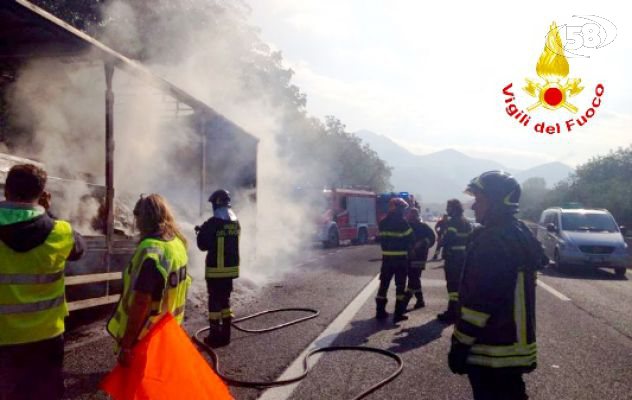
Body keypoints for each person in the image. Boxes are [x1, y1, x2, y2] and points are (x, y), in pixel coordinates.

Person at [448, 171, 548, 400]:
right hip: (512, 349)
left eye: (479, 200)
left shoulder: (493, 241)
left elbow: (480, 301)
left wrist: (460, 343)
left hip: (493, 349)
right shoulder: (518, 232)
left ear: (496, 203)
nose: (473, 207)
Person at [0, 164, 85, 400]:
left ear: (6, 191)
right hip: (46, 338)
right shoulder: (61, 232)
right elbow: (79, 249)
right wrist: (47, 212)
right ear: (42, 194)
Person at [107, 194, 190, 366]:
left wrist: (127, 345)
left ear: (143, 218)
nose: (136, 224)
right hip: (168, 329)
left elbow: (141, 302)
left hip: (146, 335)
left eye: (137, 217)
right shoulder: (178, 244)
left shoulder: (151, 250)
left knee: (138, 387)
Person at [196, 189, 241, 347]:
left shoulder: (213, 223)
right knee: (225, 302)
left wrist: (200, 232)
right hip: (229, 272)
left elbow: (202, 245)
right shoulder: (235, 222)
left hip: (215, 271)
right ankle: (226, 335)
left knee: (214, 304)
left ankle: (214, 336)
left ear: (216, 204)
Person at [376, 197, 413, 322]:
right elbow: (410, 238)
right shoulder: (402, 222)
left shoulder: (383, 222)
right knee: (400, 287)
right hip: (400, 260)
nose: (403, 211)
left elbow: (381, 240)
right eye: (402, 208)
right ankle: (398, 314)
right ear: (396, 208)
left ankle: (380, 312)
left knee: (383, 286)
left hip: (386, 260)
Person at [437, 199, 472, 323]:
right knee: (458, 286)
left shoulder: (453, 222)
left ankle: (452, 313)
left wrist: (441, 239)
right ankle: (457, 310)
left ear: (454, 208)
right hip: (462, 258)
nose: (447, 210)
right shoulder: (466, 222)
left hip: (453, 258)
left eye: (449, 207)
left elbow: (448, 238)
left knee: (452, 286)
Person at [403, 207, 436, 310]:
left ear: (417, 215)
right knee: (414, 278)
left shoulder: (423, 227)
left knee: (414, 278)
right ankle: (420, 301)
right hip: (408, 257)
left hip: (419, 257)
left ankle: (405, 301)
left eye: (414, 214)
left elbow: (432, 238)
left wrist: (422, 243)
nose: (412, 216)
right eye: (411, 214)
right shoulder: (406, 226)